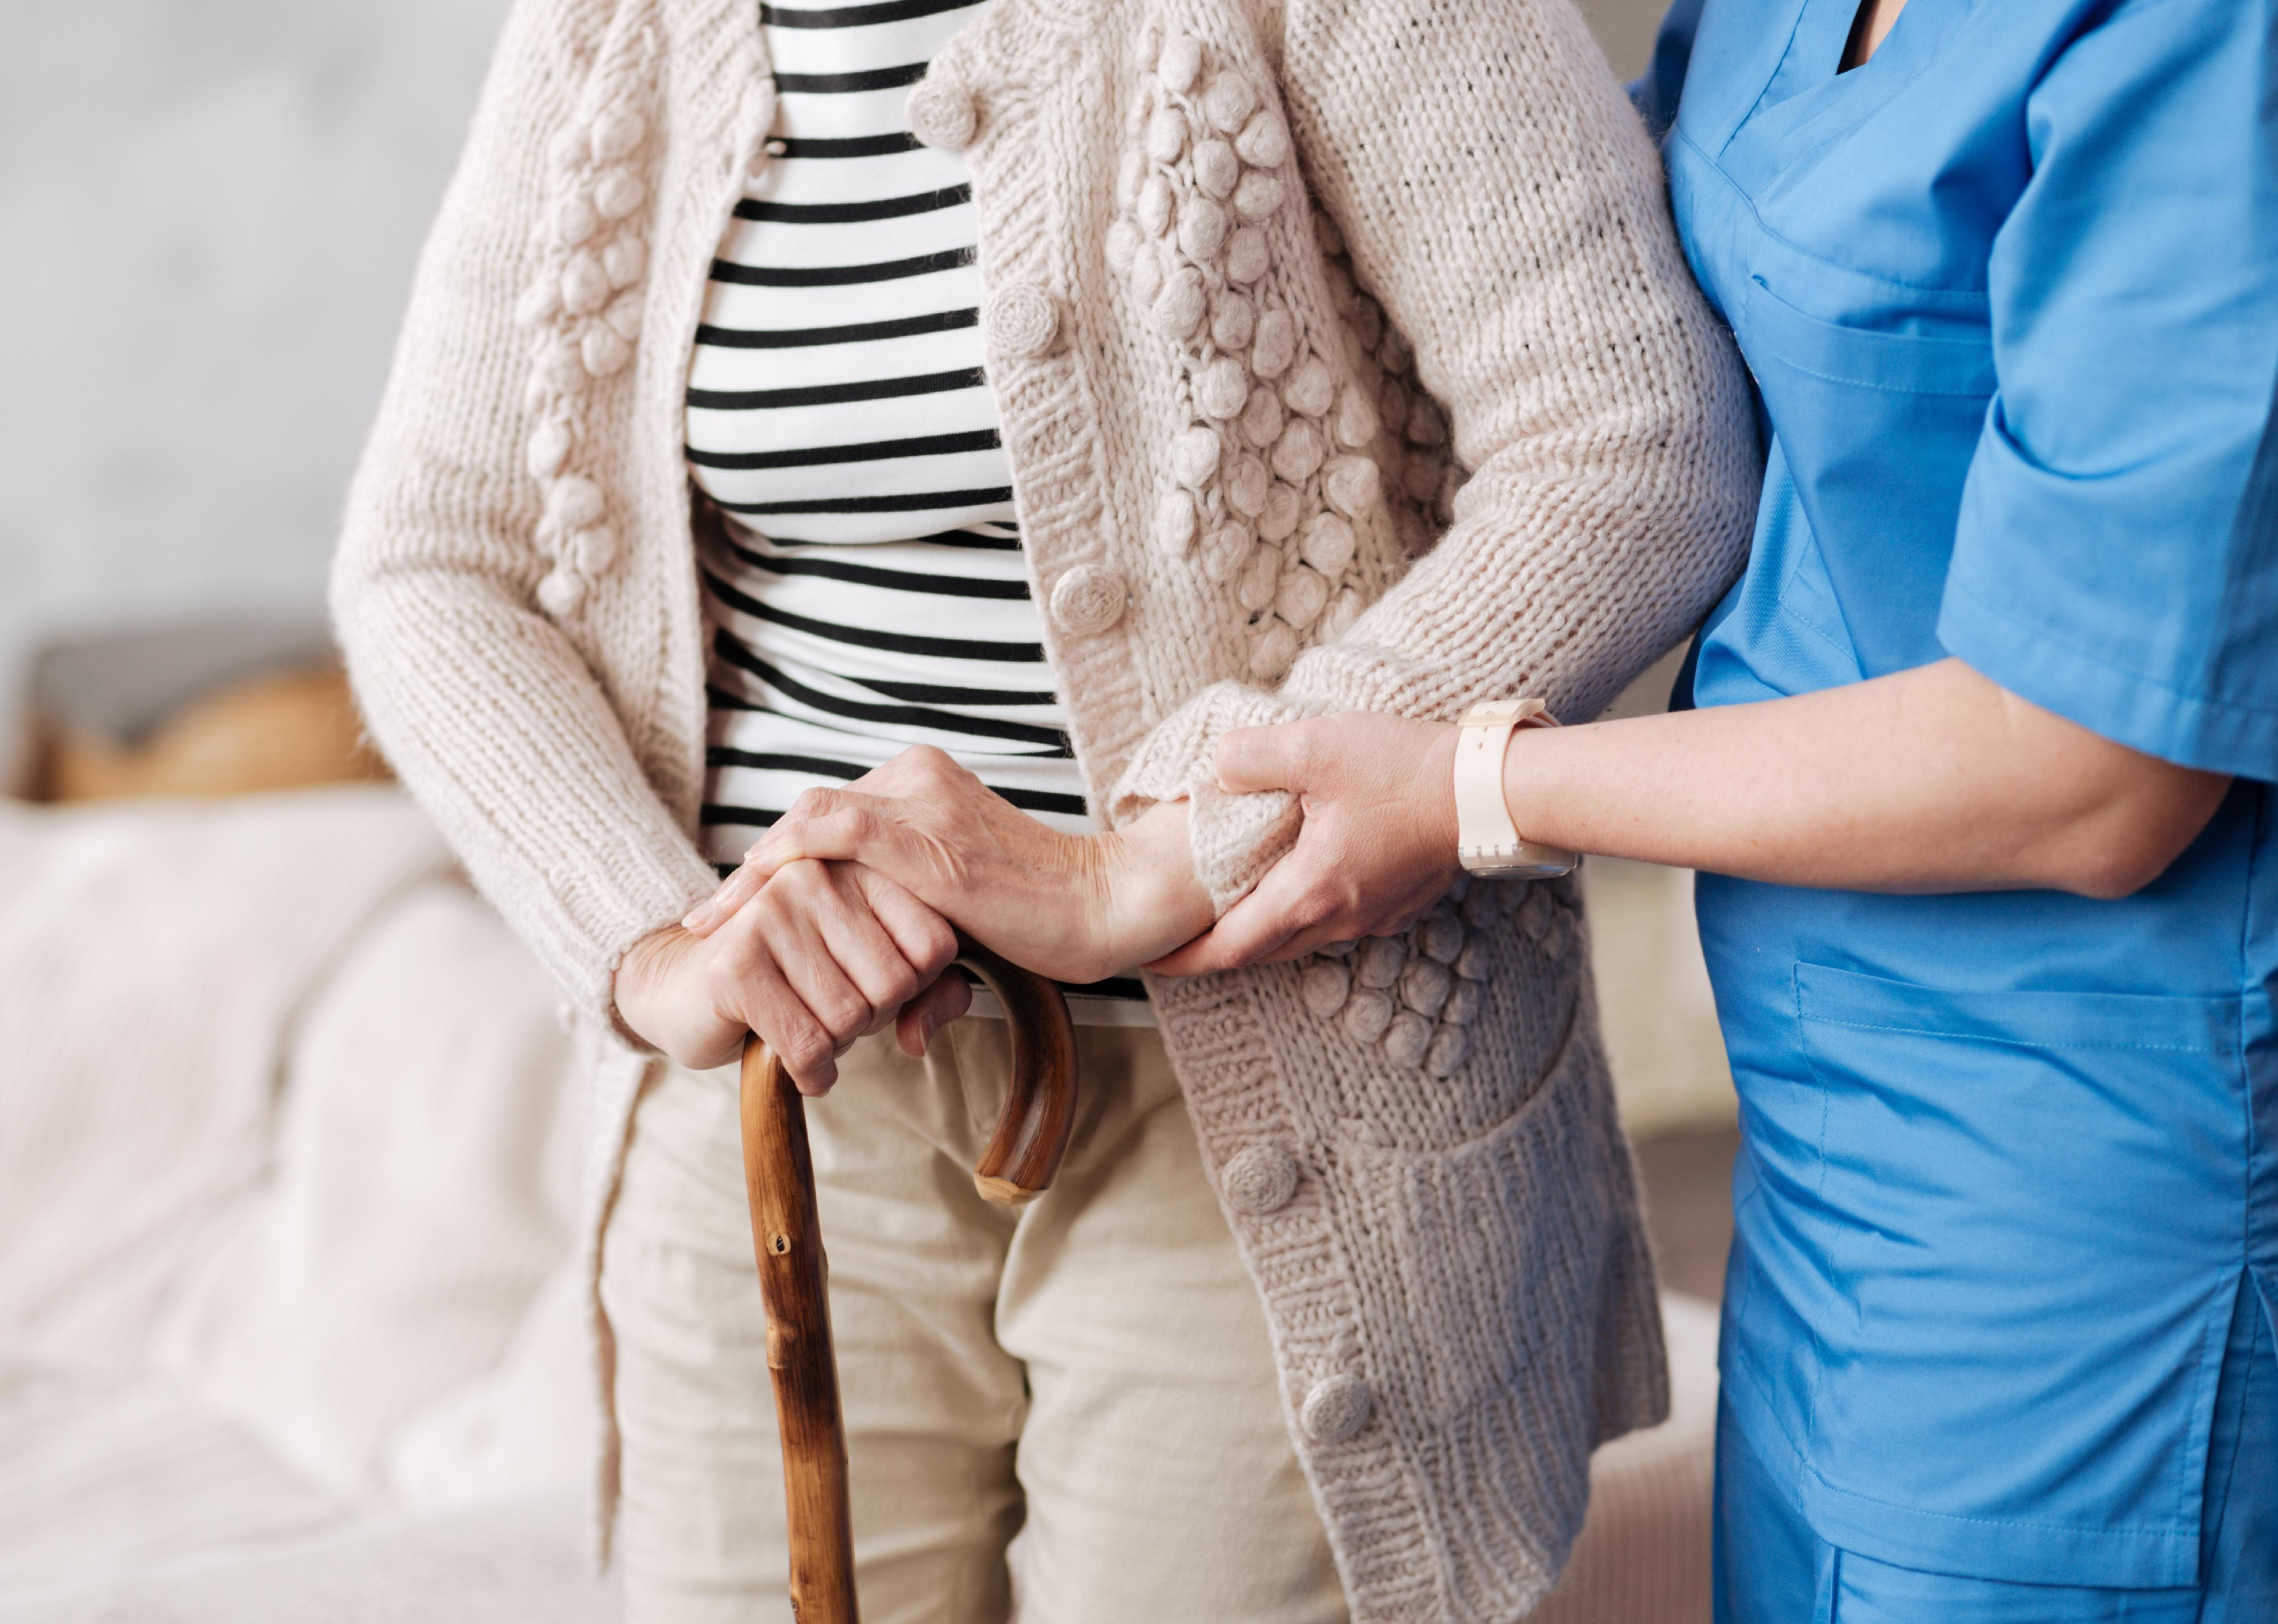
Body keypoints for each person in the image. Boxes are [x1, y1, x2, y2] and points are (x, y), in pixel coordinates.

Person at [801, 0, 2278, 1617]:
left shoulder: (2203, 41)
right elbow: (1577, 277)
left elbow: (2094, 767)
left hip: (2094, 1161)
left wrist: (1471, 786)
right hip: (1829, 1123)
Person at [330, 0, 1759, 1615]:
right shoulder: (613, 26)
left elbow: (1636, 437)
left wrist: (1170, 849)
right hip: (787, 1117)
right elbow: (436, 560)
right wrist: (650, 940)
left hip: (1271, 1084)